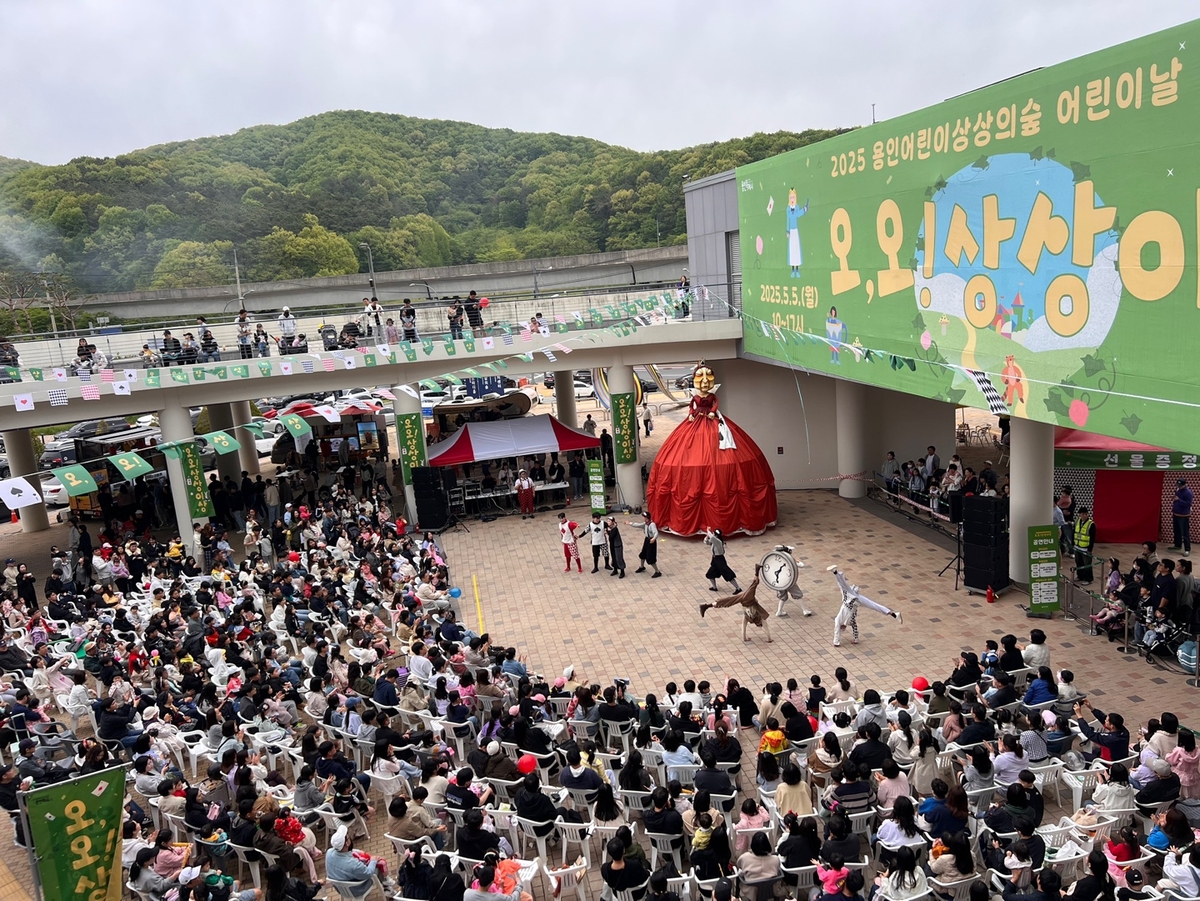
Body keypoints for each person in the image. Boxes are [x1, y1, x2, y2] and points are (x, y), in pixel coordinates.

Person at [828, 565, 902, 647]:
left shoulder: (856, 598)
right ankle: (836, 641)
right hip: (846, 608)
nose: (842, 627)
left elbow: (873, 605)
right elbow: (873, 605)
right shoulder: (852, 619)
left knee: (837, 620)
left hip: (848, 609)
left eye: (841, 628)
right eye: (842, 628)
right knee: (837, 620)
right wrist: (856, 640)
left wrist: (836, 573)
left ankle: (836, 641)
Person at [699, 565, 773, 643]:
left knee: (730, 600)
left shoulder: (750, 617)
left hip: (746, 599)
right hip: (745, 599)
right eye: (759, 624)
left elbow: (745, 627)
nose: (759, 624)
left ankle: (707, 606)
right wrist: (769, 639)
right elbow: (764, 626)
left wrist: (768, 639)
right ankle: (707, 606)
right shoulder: (751, 617)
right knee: (729, 600)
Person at [703, 528, 741, 593]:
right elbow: (706, 542)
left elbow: (712, 538)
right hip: (715, 560)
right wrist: (707, 536)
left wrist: (708, 530)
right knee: (710, 573)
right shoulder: (715, 541)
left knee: (727, 573)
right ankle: (714, 587)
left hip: (720, 560)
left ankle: (738, 588)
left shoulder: (718, 541)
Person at [633, 511, 662, 578]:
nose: (643, 518)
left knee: (650, 557)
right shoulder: (645, 524)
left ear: (647, 518)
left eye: (644, 517)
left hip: (651, 541)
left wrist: (654, 539)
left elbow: (656, 533)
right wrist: (630, 523)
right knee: (643, 554)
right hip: (647, 540)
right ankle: (642, 566)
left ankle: (657, 572)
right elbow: (637, 525)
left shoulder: (652, 525)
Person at [1074, 507, 1097, 584]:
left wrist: (1090, 549)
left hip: (1085, 548)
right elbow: (1074, 533)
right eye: (1082, 514)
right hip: (1077, 546)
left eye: (1085, 514)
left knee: (1087, 564)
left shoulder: (1091, 524)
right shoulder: (1077, 522)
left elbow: (1092, 538)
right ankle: (1080, 576)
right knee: (1078, 562)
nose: (1084, 515)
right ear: (1079, 515)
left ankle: (1088, 579)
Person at [1172, 478, 1193, 558]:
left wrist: (1179, 500)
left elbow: (1188, 504)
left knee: (1185, 533)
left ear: (1185, 485)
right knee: (1176, 530)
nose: (1178, 487)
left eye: (1180, 485)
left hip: (1183, 516)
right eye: (1178, 485)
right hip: (1176, 514)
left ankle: (1187, 549)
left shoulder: (1188, 493)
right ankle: (1177, 545)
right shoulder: (1178, 490)